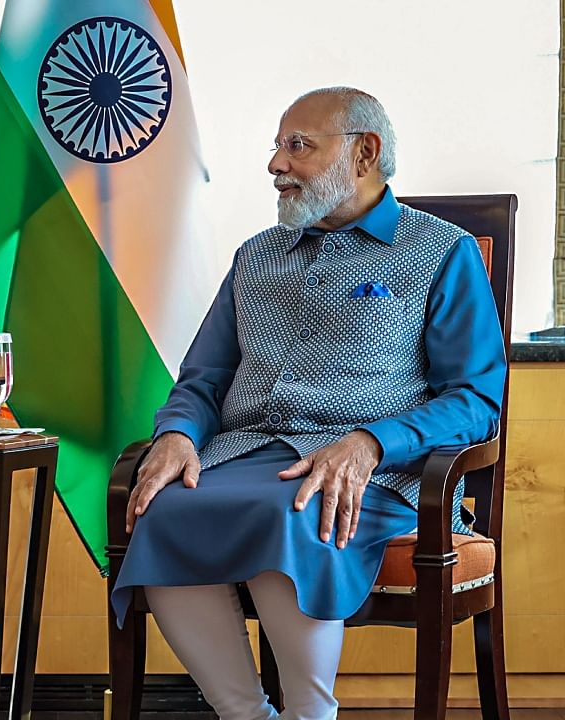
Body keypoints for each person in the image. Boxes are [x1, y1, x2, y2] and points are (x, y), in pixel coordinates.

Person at [110, 87, 505, 720]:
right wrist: (178, 434)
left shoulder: (442, 253)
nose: (276, 165)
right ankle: (246, 714)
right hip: (243, 455)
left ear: (364, 153)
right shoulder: (254, 256)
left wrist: (372, 442)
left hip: (379, 475)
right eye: (277, 147)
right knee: (159, 509)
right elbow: (204, 377)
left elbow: (477, 401)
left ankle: (308, 712)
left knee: (292, 508)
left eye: (299, 147)